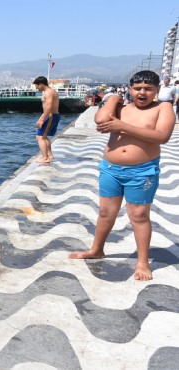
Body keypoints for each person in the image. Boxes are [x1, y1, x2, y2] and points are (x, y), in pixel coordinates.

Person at [68, 70, 175, 281]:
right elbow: (100, 120)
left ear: (157, 90)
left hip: (142, 171)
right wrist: (113, 100)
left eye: (148, 89)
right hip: (111, 169)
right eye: (137, 88)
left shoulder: (163, 108)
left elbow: (162, 136)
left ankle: (142, 262)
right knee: (106, 213)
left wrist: (122, 126)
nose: (142, 93)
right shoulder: (121, 108)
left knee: (139, 215)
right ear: (130, 89)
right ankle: (96, 249)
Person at [33, 76, 60, 163]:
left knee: (39, 137)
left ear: (41, 84)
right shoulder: (50, 92)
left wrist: (42, 119)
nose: (37, 88)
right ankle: (49, 155)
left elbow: (49, 107)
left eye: (37, 86)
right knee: (44, 137)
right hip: (51, 115)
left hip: (51, 116)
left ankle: (45, 158)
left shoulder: (49, 92)